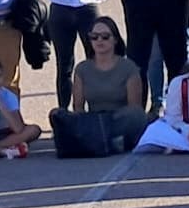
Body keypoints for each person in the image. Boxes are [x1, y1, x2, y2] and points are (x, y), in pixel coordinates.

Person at [48, 16, 150, 157]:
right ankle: (107, 142)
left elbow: (134, 107)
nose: (99, 41)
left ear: (115, 39)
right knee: (57, 113)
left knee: (137, 116)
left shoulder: (129, 67)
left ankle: (100, 141)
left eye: (105, 37)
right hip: (93, 120)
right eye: (94, 37)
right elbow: (78, 108)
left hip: (118, 120)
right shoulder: (82, 68)